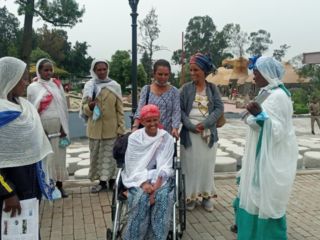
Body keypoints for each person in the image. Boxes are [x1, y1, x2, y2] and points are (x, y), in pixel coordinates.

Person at [234, 56, 298, 239]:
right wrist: (254, 115)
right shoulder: (268, 92)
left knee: (263, 198)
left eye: (256, 74)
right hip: (258, 152)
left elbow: (278, 130)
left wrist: (259, 115)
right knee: (255, 197)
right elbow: (257, 120)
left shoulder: (278, 96)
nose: (254, 78)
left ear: (266, 74)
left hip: (268, 156)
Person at [0, 57, 53, 239]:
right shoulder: (2, 112)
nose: (26, 82)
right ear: (9, 78)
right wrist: (7, 193)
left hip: (29, 185)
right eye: (22, 78)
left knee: (28, 232)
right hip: (9, 191)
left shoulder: (25, 107)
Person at [122, 104, 174, 240]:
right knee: (141, 198)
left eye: (155, 119)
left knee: (162, 197)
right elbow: (132, 164)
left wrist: (155, 187)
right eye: (148, 120)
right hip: (137, 177)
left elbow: (166, 165)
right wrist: (143, 183)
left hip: (160, 179)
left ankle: (157, 237)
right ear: (142, 121)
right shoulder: (135, 138)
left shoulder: (166, 137)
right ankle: (134, 236)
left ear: (159, 119)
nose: (152, 123)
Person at [180, 53, 224, 212]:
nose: (192, 73)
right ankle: (190, 197)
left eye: (196, 70)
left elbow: (219, 108)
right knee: (190, 167)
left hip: (208, 135)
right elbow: (180, 111)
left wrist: (205, 124)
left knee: (206, 166)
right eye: (191, 70)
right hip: (190, 135)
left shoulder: (213, 89)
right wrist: (191, 126)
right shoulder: (185, 89)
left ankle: (206, 197)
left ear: (204, 71)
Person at [27, 58, 70, 198]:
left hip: (59, 128)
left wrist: (64, 128)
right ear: (39, 71)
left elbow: (63, 107)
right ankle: (46, 187)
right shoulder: (32, 87)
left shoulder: (57, 85)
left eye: (51, 70)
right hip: (42, 129)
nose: (49, 72)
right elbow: (32, 110)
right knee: (46, 158)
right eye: (46, 70)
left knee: (59, 158)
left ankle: (59, 186)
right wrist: (39, 129)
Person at [81, 59, 125, 193]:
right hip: (94, 130)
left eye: (104, 69)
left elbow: (120, 109)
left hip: (111, 129)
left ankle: (112, 182)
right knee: (97, 157)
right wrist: (89, 106)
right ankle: (101, 182)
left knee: (111, 157)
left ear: (107, 70)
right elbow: (83, 110)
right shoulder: (89, 86)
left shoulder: (115, 86)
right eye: (98, 70)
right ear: (94, 71)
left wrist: (121, 128)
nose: (101, 72)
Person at [132, 59, 180, 139]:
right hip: (148, 134)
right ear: (154, 74)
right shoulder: (146, 89)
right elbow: (140, 109)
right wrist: (135, 126)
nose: (163, 77)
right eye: (160, 74)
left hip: (166, 134)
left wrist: (175, 128)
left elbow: (176, 111)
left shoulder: (174, 91)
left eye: (166, 74)